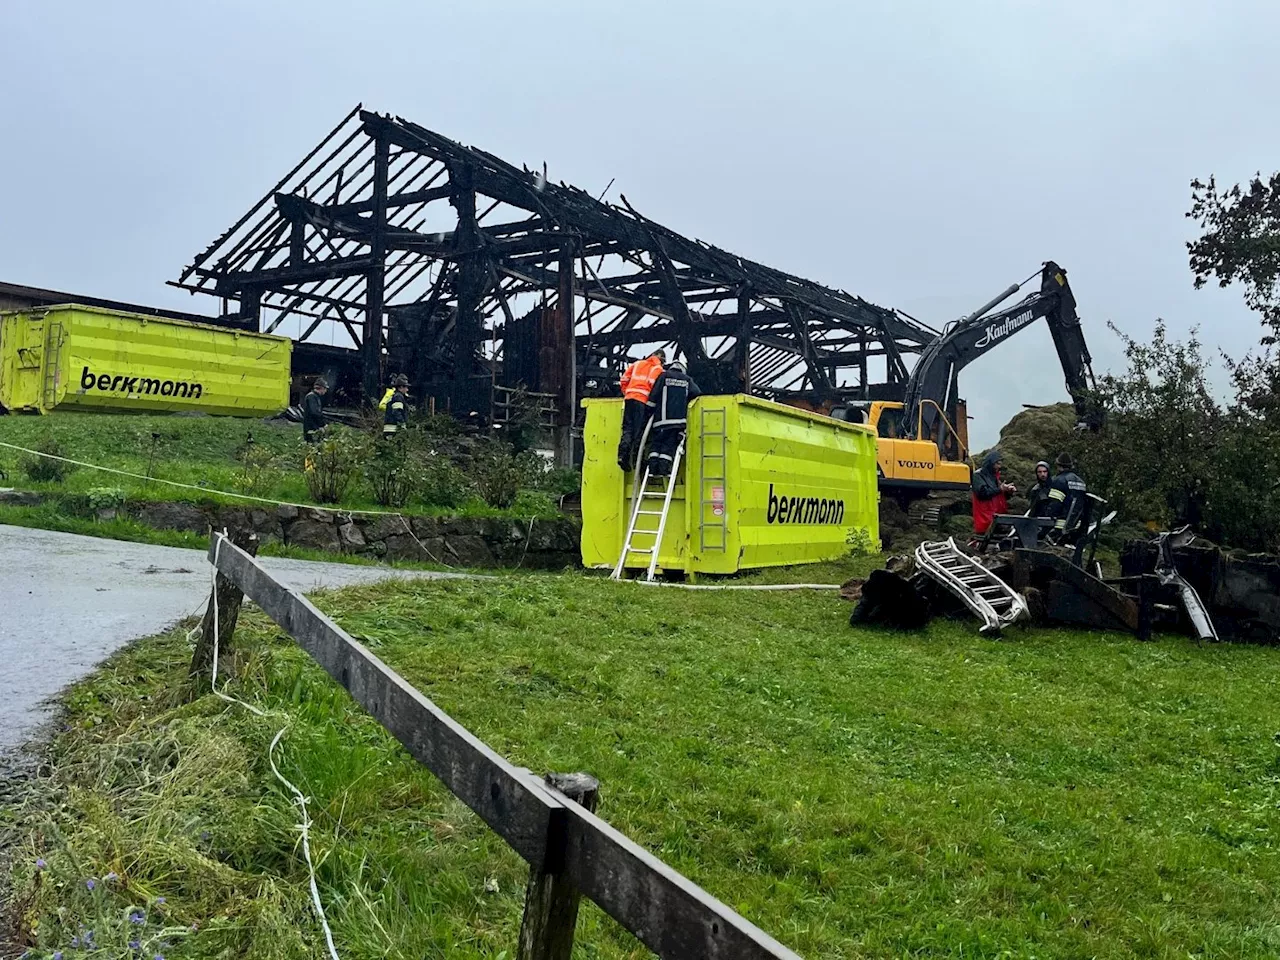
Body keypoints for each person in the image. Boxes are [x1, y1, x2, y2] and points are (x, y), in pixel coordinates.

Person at [645, 359, 702, 477]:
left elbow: (654, 394)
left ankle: (652, 468)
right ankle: (663, 469)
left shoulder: (663, 376)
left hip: (660, 420)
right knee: (668, 446)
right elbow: (696, 392)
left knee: (656, 444)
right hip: (677, 422)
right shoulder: (687, 379)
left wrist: (648, 411)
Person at [617, 348, 665, 470]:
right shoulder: (657, 368)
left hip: (629, 398)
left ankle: (622, 455)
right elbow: (653, 385)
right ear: (662, 359)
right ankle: (637, 460)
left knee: (627, 429)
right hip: (642, 401)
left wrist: (627, 392)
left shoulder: (637, 364)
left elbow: (623, 380)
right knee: (639, 431)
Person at [971, 448, 1016, 535]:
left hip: (996, 515)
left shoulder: (995, 477)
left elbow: (997, 496)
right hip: (985, 517)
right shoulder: (978, 475)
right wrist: (1000, 489)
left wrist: (1007, 492)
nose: (999, 466)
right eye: (997, 464)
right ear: (990, 463)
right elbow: (982, 494)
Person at [1045, 452, 1088, 540]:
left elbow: (1055, 505)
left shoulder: (1059, 481)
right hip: (1076, 527)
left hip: (1059, 527)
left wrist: (1046, 522)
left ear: (1058, 465)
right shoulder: (1081, 482)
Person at [383, 374, 411, 439]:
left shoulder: (395, 396)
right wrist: (402, 424)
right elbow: (397, 412)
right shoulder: (398, 397)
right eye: (406, 387)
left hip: (390, 429)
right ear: (401, 387)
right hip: (393, 430)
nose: (407, 390)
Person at [302, 377, 328, 442]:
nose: (326, 391)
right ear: (322, 388)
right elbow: (315, 412)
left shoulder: (315, 397)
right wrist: (322, 424)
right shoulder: (312, 397)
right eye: (325, 389)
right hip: (311, 427)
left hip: (313, 427)